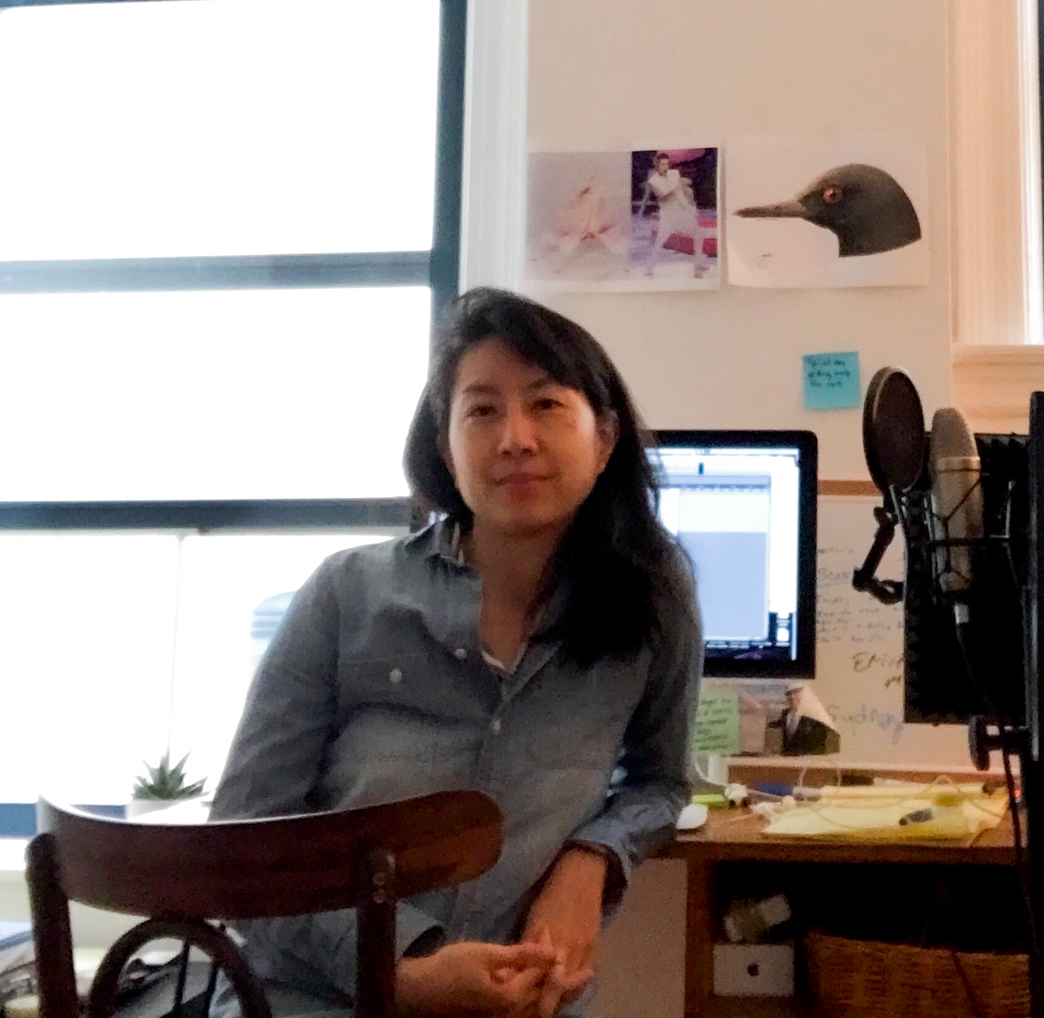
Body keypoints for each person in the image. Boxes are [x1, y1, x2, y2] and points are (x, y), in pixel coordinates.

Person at [210, 287, 704, 1018]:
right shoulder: (347, 593)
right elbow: (242, 846)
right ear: (446, 447)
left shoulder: (652, 602)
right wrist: (398, 969)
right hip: (310, 996)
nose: (515, 439)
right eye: (482, 410)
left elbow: (660, 783)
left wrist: (594, 856)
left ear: (604, 440)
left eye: (545, 404)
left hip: (524, 1002)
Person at [643, 151, 708, 278]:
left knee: (698, 234)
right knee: (660, 241)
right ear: (657, 165)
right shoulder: (654, 180)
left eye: (667, 164)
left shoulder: (674, 174)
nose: (665, 167)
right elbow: (661, 197)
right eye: (662, 164)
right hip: (668, 214)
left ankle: (698, 265)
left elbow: (681, 194)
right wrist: (673, 189)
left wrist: (689, 208)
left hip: (680, 211)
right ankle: (649, 267)